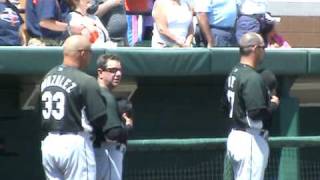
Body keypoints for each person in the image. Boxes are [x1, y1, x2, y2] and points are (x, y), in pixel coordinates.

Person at [40, 35, 107, 180]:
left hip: (49, 143)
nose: (91, 57)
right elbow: (99, 118)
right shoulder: (85, 80)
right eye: (90, 52)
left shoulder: (48, 76)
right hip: (74, 143)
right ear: (82, 53)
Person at [222, 32, 279, 180]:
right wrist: (273, 105)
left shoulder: (234, 72)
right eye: (263, 47)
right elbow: (256, 114)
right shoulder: (252, 77)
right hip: (250, 139)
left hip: (236, 136)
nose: (264, 51)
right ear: (254, 48)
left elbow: (224, 107)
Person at [95, 54, 133, 180]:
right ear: (100, 72)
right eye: (112, 70)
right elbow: (113, 135)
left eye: (119, 70)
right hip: (106, 152)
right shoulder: (105, 95)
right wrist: (127, 126)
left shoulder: (91, 91)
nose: (118, 74)